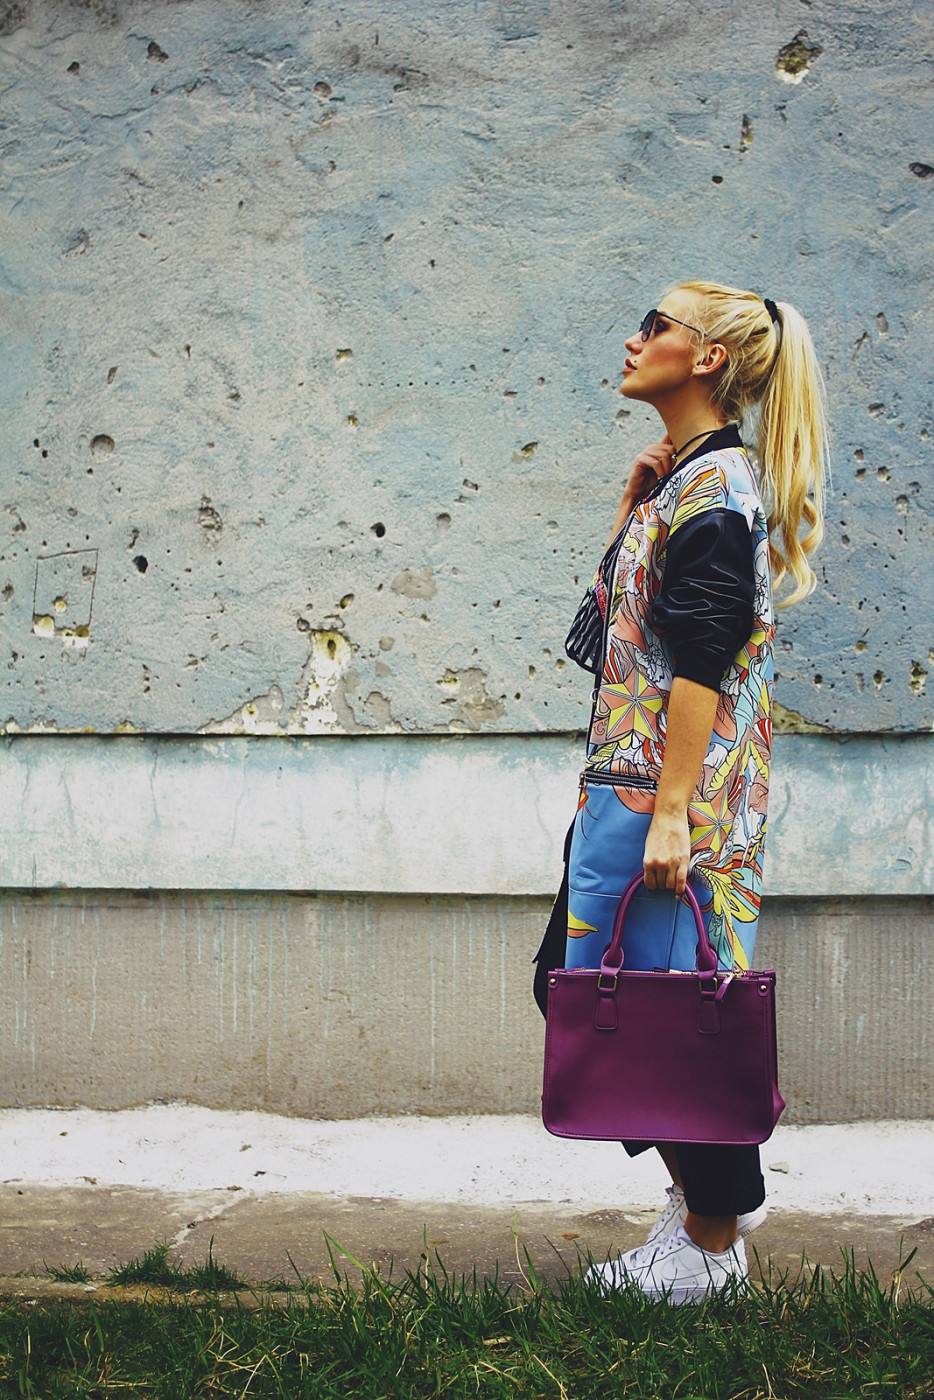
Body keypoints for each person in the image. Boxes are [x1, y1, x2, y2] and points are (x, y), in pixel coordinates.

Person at [533, 280, 827, 1303]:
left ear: (707, 358)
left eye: (655, 325)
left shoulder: (715, 489)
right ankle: (709, 1207)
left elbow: (704, 657)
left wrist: (671, 814)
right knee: (593, 993)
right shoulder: (683, 482)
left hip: (664, 803)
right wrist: (629, 514)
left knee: (662, 1012)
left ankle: (711, 1237)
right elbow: (603, 643)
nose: (634, 337)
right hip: (624, 791)